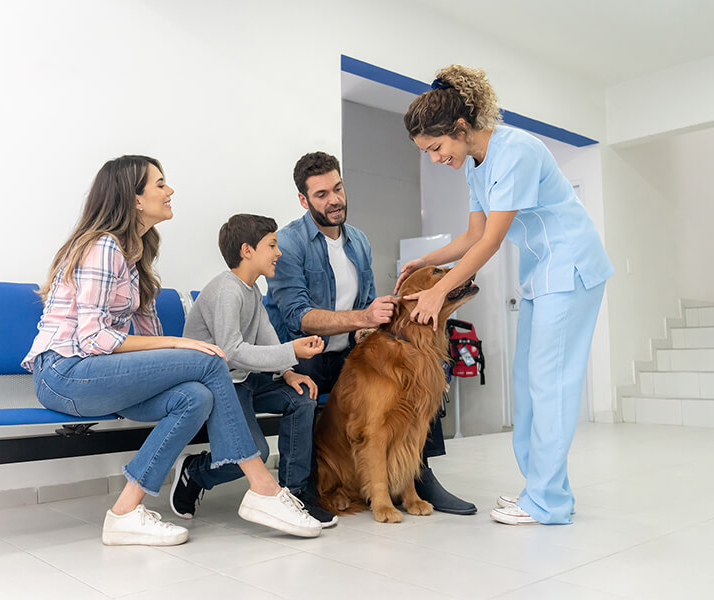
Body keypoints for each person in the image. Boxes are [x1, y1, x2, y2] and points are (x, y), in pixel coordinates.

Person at [21, 155, 322, 545]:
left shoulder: (135, 256)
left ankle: (125, 512)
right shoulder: (104, 247)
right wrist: (181, 344)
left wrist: (179, 351)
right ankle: (263, 489)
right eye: (160, 184)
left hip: (99, 375)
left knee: (194, 397)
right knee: (210, 357)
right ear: (135, 199)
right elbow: (92, 340)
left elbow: (149, 336)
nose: (170, 190)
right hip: (63, 373)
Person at [398, 65, 614, 526]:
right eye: (426, 153)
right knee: (528, 384)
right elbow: (471, 235)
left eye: (436, 148)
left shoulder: (515, 150)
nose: (436, 158)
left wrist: (439, 291)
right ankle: (546, 492)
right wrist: (422, 262)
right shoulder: (476, 165)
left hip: (571, 267)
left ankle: (547, 502)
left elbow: (491, 243)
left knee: (549, 384)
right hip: (542, 273)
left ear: (460, 128)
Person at [266, 151, 477, 516]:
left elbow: (366, 302)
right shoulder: (290, 243)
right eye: (321, 194)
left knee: (420, 372)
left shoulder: (358, 241)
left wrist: (376, 326)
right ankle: (303, 489)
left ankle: (420, 475)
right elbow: (298, 316)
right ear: (303, 199)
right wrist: (363, 317)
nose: (333, 200)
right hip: (303, 357)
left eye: (338, 188)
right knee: (319, 391)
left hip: (350, 352)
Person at [173, 213, 338, 526]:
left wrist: (289, 372)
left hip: (244, 381)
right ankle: (195, 471)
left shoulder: (252, 290)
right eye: (272, 245)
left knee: (301, 397)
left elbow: (265, 336)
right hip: (219, 384)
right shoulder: (227, 290)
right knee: (256, 454)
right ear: (247, 251)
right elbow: (231, 352)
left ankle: (294, 492)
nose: (279, 252)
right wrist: (292, 351)